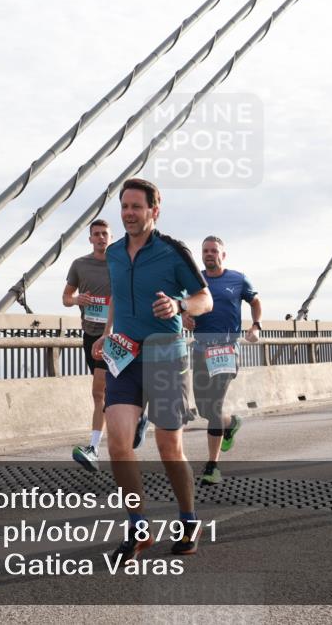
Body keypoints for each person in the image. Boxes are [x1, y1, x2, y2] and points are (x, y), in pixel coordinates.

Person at [91, 178, 213, 562]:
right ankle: (138, 526)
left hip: (165, 355)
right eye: (124, 207)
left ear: (153, 211)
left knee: (168, 445)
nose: (129, 213)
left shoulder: (173, 252)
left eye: (136, 207)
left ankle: (188, 518)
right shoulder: (113, 253)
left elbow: (204, 298)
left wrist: (179, 306)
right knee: (117, 444)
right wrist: (107, 333)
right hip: (123, 356)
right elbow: (117, 299)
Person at [182, 236, 262, 485]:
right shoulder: (195, 282)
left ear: (222, 255)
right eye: (205, 250)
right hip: (200, 350)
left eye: (214, 251)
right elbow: (184, 306)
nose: (209, 254)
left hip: (227, 350)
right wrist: (185, 316)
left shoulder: (238, 279)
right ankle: (231, 422)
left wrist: (256, 326)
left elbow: (255, 301)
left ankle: (212, 466)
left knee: (214, 405)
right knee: (205, 409)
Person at [64, 219, 112, 471]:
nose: (101, 238)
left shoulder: (120, 263)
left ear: (110, 237)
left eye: (105, 234)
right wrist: (76, 299)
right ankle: (138, 417)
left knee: (99, 392)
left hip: (115, 336)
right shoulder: (80, 265)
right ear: (90, 238)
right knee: (103, 393)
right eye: (97, 234)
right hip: (90, 335)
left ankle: (94, 447)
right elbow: (65, 298)